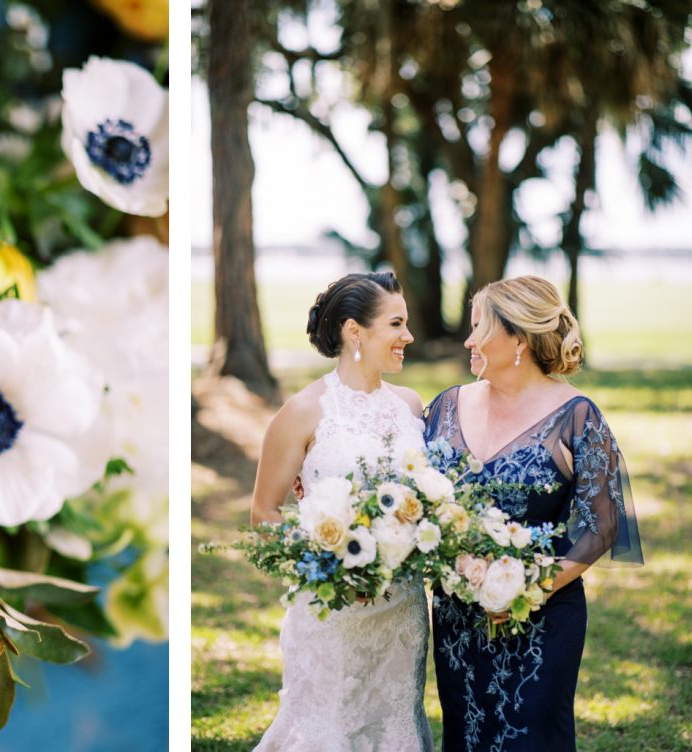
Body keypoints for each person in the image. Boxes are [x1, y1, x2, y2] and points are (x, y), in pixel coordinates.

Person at [423, 276, 643, 752]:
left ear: (518, 338)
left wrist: (521, 592)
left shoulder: (576, 416)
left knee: (532, 736)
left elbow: (600, 528)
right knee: (466, 732)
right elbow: (410, 492)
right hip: (458, 618)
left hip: (542, 617)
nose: (467, 339)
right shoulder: (444, 407)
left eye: (478, 326)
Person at [250, 271, 434, 751]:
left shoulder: (411, 407)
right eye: (396, 324)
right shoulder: (304, 411)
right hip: (332, 611)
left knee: (396, 724)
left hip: (402, 612)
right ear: (356, 331)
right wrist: (332, 571)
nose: (408, 337)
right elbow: (265, 512)